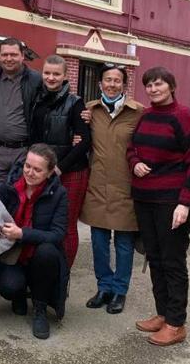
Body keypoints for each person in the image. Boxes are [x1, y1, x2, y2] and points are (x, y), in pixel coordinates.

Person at [127, 67, 190, 346]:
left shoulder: (183, 117)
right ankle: (163, 314)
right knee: (155, 259)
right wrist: (134, 162)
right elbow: (131, 147)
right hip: (145, 200)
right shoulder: (146, 116)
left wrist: (185, 203)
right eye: (148, 85)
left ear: (171, 86)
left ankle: (176, 323)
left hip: (171, 203)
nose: (152, 89)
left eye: (158, 84)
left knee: (173, 262)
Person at [80, 63, 144, 315]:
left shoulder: (138, 112)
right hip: (97, 185)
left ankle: (120, 291)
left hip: (126, 187)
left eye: (117, 80)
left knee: (125, 244)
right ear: (100, 83)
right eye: (108, 80)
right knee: (98, 242)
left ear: (124, 85)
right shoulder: (89, 110)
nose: (112, 84)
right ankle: (104, 287)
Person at [0, 144, 68, 339]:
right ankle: (19, 294)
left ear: (50, 172)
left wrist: (23, 234)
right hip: (13, 254)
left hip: (39, 256)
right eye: (27, 166)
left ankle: (40, 308)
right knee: (9, 286)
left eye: (37, 169)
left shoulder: (59, 194)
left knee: (48, 251)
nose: (30, 172)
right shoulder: (8, 188)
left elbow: (58, 234)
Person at [28, 54, 90, 268]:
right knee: (42, 221)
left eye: (56, 74)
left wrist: (60, 168)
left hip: (71, 171)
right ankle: (42, 273)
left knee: (66, 224)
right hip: (43, 171)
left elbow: (84, 143)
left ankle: (62, 277)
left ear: (65, 76)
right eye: (47, 73)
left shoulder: (76, 103)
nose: (51, 78)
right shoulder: (36, 98)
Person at [0, 38, 42, 191]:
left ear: (23, 56)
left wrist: (79, 113)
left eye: (13, 55)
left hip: (23, 152)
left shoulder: (35, 80)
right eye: (5, 55)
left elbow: (54, 102)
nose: (9, 59)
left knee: (18, 197)